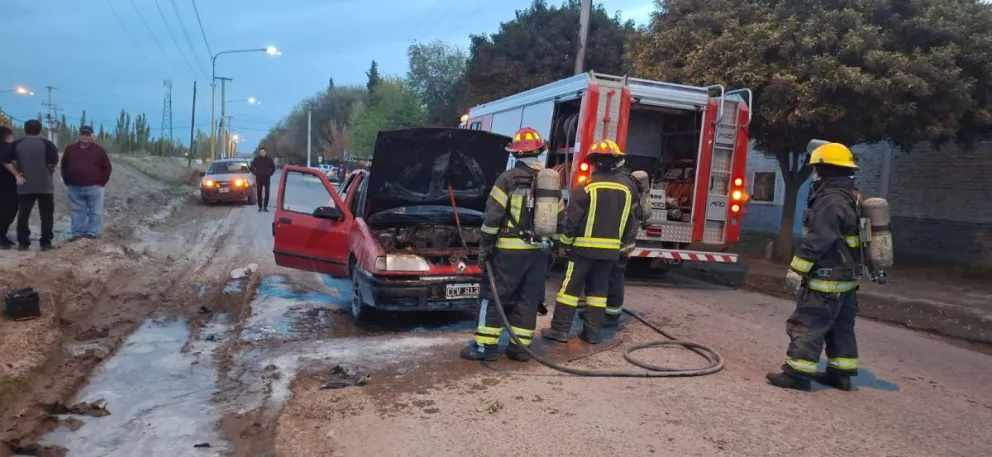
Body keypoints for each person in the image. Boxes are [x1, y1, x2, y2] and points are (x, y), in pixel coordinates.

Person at [460, 126, 564, 362]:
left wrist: (485, 246)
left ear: (516, 153)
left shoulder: (507, 179)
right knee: (527, 300)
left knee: (493, 296)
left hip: (508, 253)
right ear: (539, 151)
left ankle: (485, 347)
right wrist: (555, 246)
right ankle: (520, 349)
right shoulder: (550, 183)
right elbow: (560, 218)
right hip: (538, 252)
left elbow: (493, 217)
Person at [766, 142, 863, 392]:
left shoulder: (831, 200)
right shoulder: (850, 196)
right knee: (840, 327)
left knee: (808, 323)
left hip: (827, 278)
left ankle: (796, 375)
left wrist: (797, 269)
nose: (814, 174)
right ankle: (840, 374)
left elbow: (819, 239)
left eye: (815, 169)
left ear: (825, 169)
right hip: (846, 279)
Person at [542, 140, 636, 344]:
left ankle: (560, 330)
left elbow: (572, 221)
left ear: (594, 163)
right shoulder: (626, 190)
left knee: (569, 291)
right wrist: (622, 247)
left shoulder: (586, 187)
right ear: (616, 163)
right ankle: (592, 333)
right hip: (609, 253)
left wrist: (564, 244)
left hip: (582, 251)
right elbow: (629, 222)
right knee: (598, 293)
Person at [1, 119, 59, 251]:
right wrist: (48, 171)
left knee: (23, 214)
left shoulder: (17, 144)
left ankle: (23, 242)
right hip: (45, 185)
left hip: (24, 185)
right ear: (40, 129)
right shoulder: (47, 144)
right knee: (46, 214)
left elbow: (5, 160)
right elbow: (54, 162)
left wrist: (17, 174)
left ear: (25, 129)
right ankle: (45, 242)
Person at [604, 161, 649, 327]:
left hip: (620, 241)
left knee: (613, 276)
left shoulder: (623, 186)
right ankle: (601, 310)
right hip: (625, 241)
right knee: (608, 275)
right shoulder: (629, 184)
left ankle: (611, 315)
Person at [62, 125, 112, 240]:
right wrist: (67, 180)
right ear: (79, 135)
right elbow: (64, 165)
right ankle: (77, 234)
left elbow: (107, 167)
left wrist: (102, 182)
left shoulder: (99, 150)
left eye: (87, 135)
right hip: (74, 187)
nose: (85, 137)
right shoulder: (70, 149)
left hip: (94, 187)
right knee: (76, 212)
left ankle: (92, 233)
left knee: (95, 211)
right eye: (83, 134)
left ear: (91, 136)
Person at [0, 125, 16, 249]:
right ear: (7, 135)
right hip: (7, 183)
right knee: (9, 210)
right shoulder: (8, 147)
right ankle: (2, 237)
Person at [249, 147, 276, 212]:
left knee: (267, 192)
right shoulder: (256, 159)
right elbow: (251, 167)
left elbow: (273, 168)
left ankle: (265, 207)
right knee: (259, 193)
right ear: (259, 153)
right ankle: (260, 207)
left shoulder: (269, 159)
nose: (262, 153)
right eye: (261, 152)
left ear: (265, 152)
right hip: (259, 179)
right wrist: (255, 173)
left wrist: (270, 174)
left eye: (263, 152)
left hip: (267, 179)